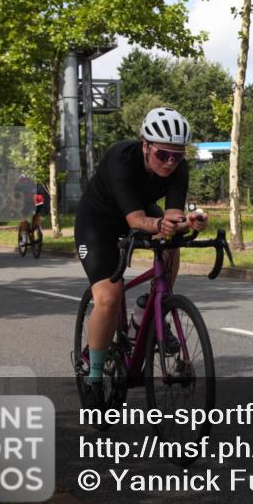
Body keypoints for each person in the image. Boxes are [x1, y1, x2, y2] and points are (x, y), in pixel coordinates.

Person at [73, 107, 207, 407]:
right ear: (145, 146)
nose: (170, 162)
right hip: (98, 223)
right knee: (108, 296)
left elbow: (171, 216)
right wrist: (160, 224)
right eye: (162, 155)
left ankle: (146, 311)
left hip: (141, 213)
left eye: (177, 155)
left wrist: (190, 221)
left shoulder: (178, 167)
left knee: (173, 240)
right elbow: (135, 221)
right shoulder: (122, 159)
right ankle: (94, 378)